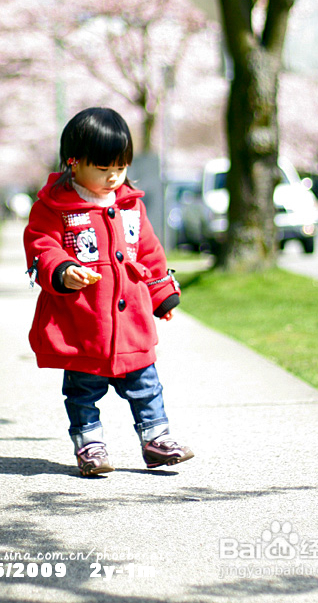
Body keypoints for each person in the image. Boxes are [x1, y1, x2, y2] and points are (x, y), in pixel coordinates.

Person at [23, 107, 193, 477]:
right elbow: (42, 245)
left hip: (131, 322)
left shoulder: (130, 205)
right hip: (84, 325)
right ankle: (89, 445)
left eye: (121, 167)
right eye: (103, 168)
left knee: (147, 385)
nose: (114, 176)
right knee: (83, 392)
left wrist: (161, 292)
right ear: (74, 163)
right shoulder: (57, 207)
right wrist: (63, 270)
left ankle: (157, 440)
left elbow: (148, 251)